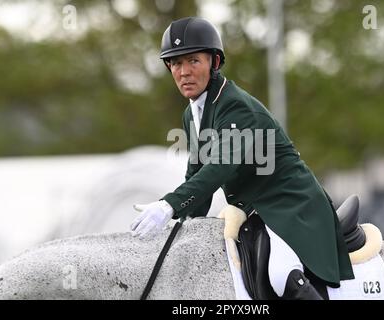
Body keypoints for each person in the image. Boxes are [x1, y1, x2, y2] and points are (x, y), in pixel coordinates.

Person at [130, 16, 354, 299]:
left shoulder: (235, 106)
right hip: (254, 209)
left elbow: (218, 169)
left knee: (280, 273)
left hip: (290, 204)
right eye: (176, 63)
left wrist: (168, 205)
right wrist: (181, 228)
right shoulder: (192, 113)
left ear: (214, 62)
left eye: (193, 61)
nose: (184, 72)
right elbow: (196, 177)